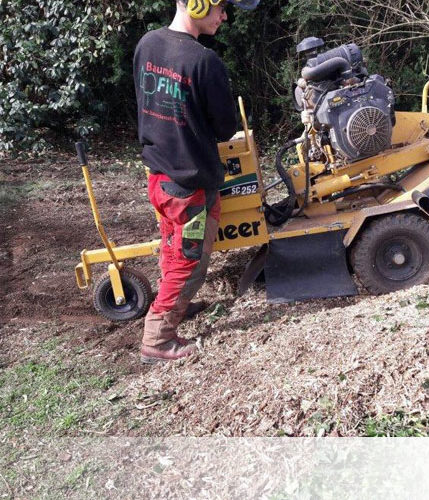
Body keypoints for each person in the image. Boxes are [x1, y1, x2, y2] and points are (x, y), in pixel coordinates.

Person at [133, 0, 259, 364]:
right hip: (189, 185)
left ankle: (174, 305)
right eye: (221, 7)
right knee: (190, 262)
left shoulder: (147, 44)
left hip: (160, 177)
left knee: (173, 251)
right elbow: (225, 128)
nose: (224, 15)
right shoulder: (205, 62)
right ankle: (158, 339)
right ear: (199, 3)